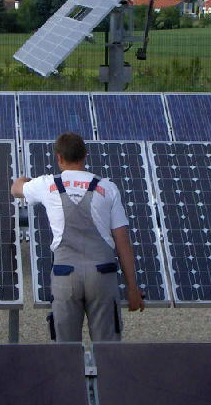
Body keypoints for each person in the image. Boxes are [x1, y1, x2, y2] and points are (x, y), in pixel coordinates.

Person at [11, 132, 144, 342]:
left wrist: (25, 180)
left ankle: (69, 375)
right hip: (103, 275)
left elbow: (16, 189)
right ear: (85, 156)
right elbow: (122, 242)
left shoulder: (47, 185)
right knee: (108, 350)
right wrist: (132, 288)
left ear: (59, 158)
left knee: (66, 351)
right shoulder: (108, 188)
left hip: (65, 276)